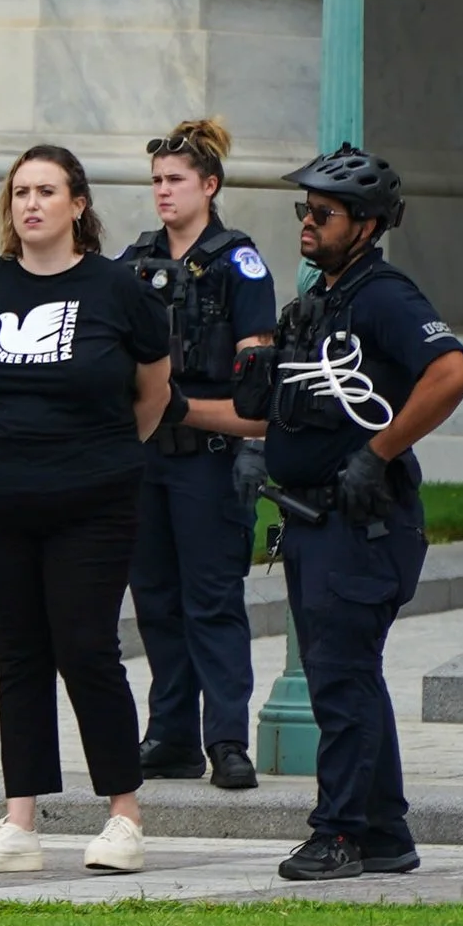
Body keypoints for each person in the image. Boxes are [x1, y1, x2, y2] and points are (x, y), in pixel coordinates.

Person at [253, 146, 463, 881]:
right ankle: (384, 833)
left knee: (341, 681)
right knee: (346, 678)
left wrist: (377, 452)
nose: (307, 223)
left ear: (369, 224)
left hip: (363, 524)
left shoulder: (384, 294)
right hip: (317, 522)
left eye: (324, 213)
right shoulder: (324, 296)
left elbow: (452, 372)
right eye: (303, 211)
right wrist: (184, 414)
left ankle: (338, 833)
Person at [0, 146, 171, 877]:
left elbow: (154, 393)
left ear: (79, 204)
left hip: (93, 503)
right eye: (20, 193)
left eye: (47, 191)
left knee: (85, 647)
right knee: (19, 655)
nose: (31, 204)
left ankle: (123, 816)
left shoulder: (118, 289)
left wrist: (100, 458)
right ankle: (20, 821)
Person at [118, 119, 276, 793]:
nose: (162, 191)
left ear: (209, 186)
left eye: (175, 180)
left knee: (212, 601)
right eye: (156, 180)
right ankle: (171, 736)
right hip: (147, 458)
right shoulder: (133, 261)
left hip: (211, 454)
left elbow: (258, 390)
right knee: (155, 599)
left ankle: (228, 740)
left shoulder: (240, 263)